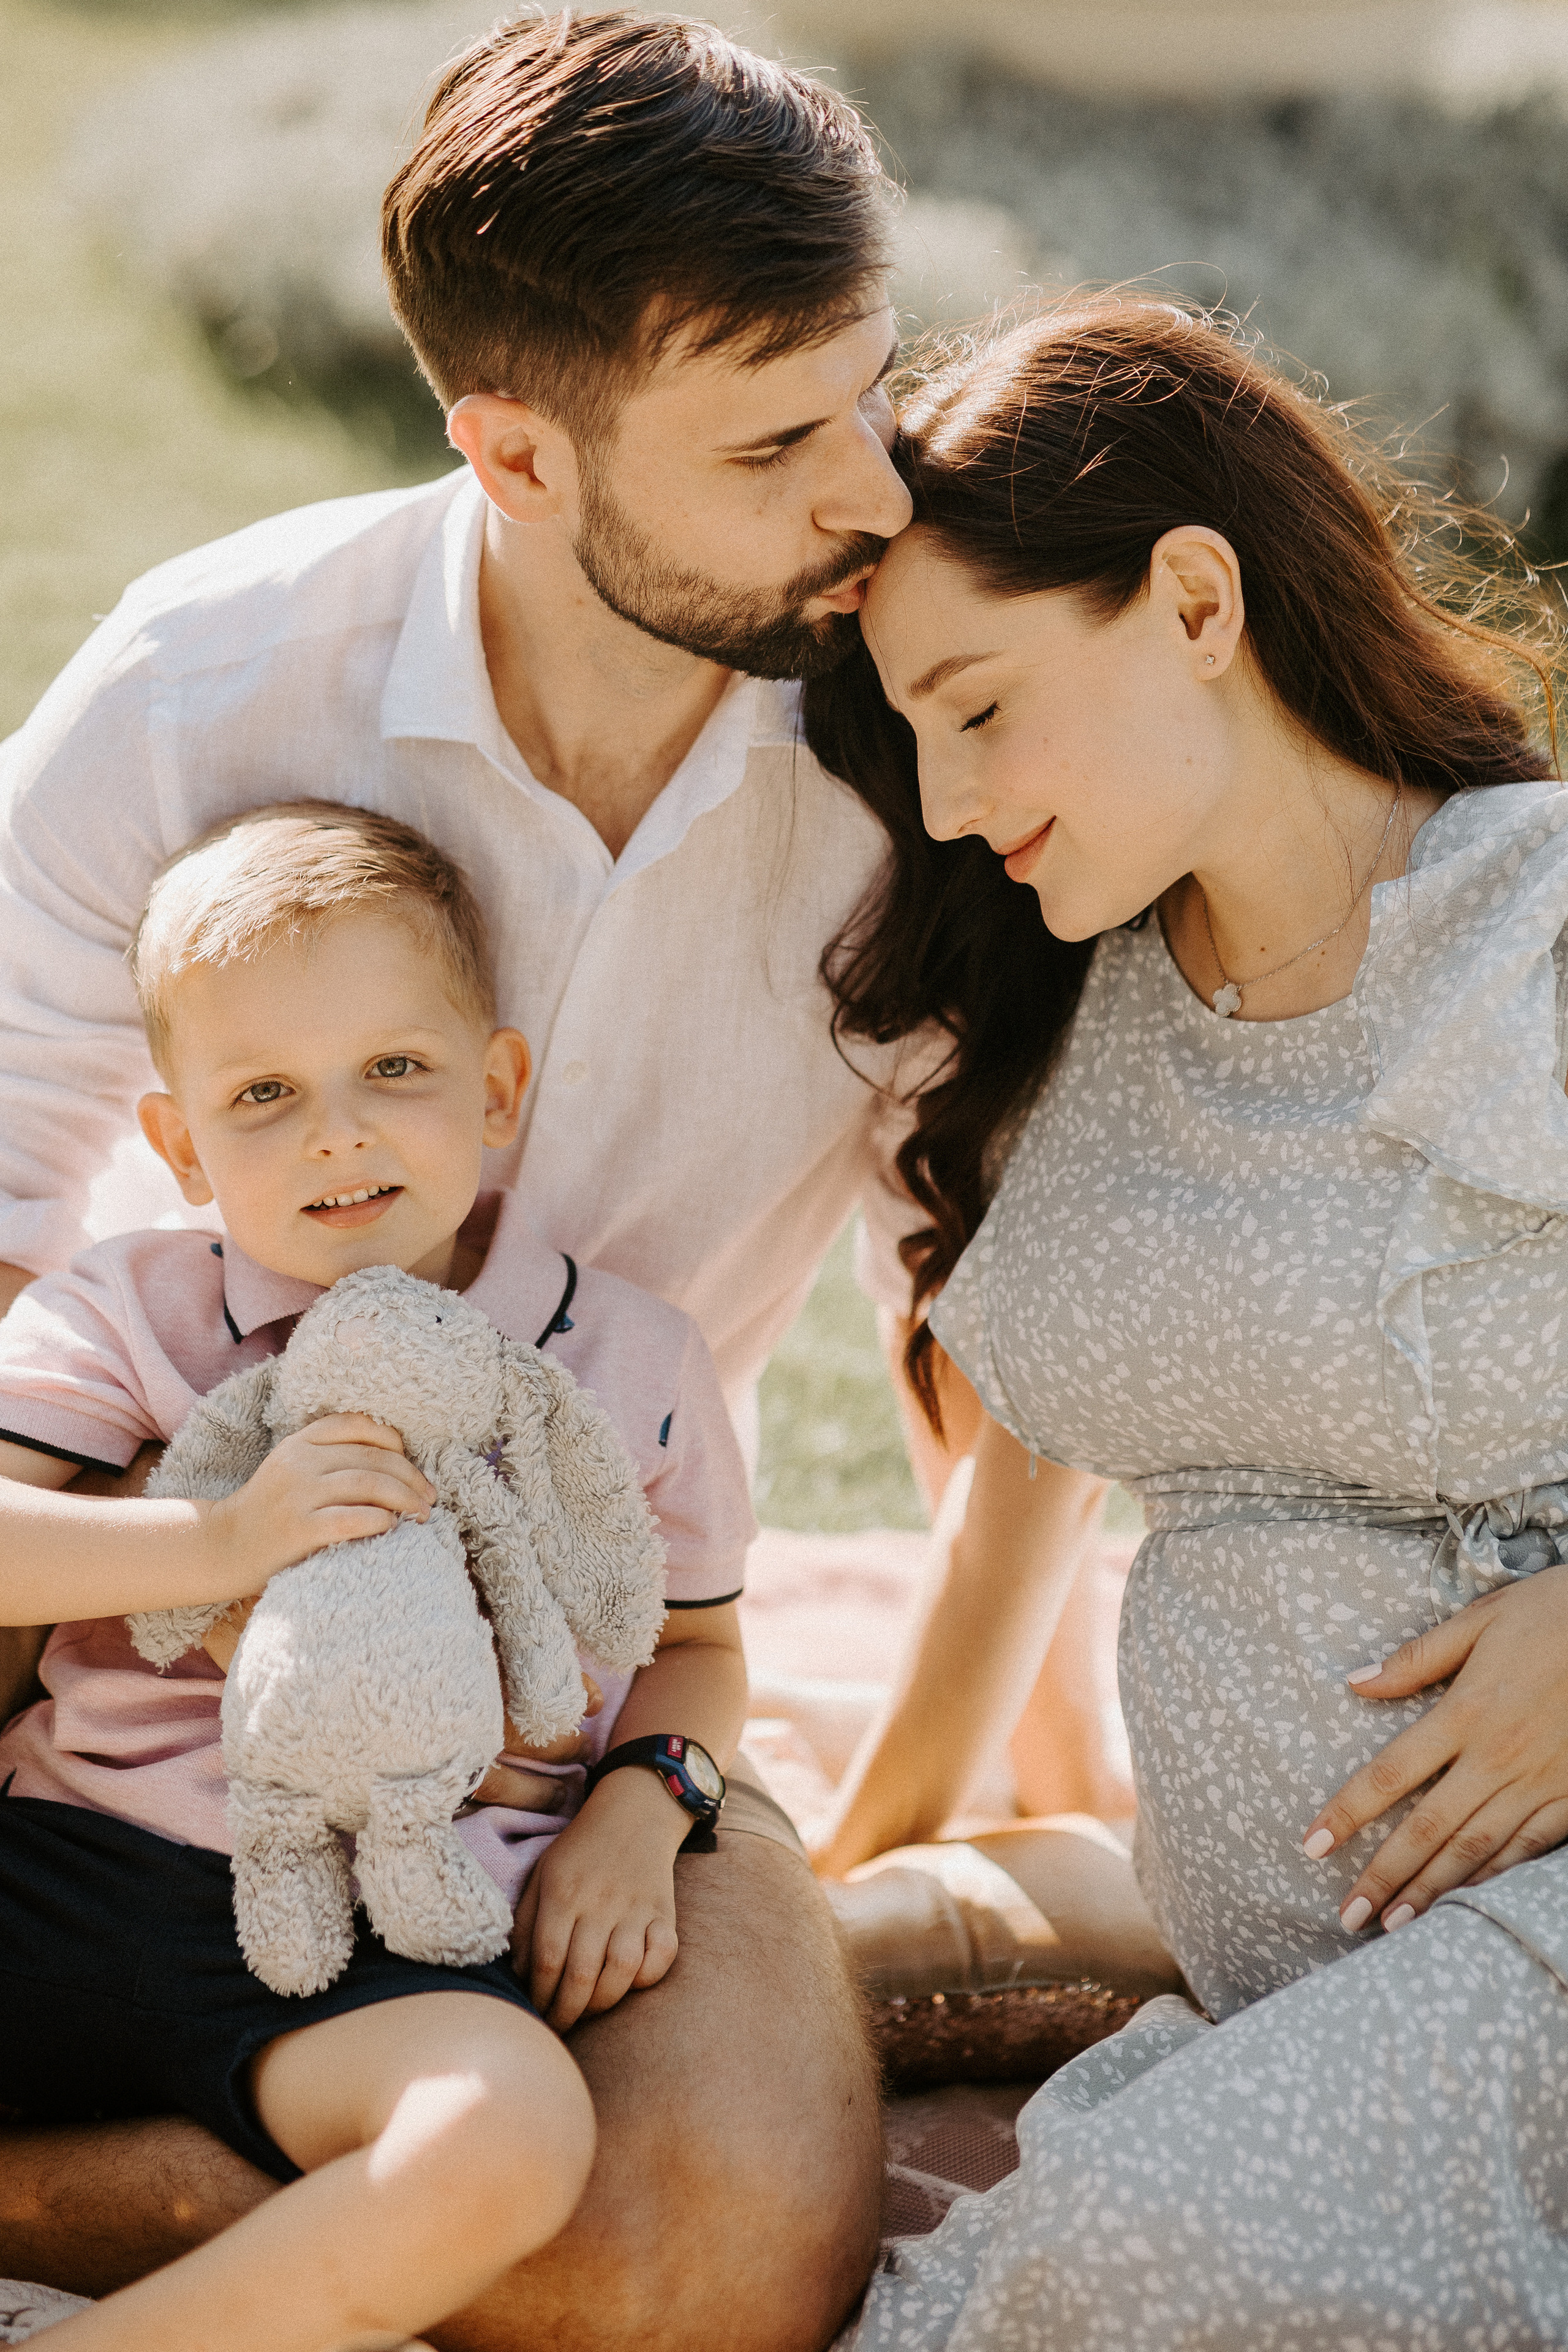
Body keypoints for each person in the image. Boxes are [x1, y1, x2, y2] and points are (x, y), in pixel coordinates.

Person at [802, 295, 1568, 2345]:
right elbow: (1024, 1488)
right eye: (915, 740)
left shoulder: (1544, 928)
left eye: (979, 706)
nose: (950, 805)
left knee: (1125, 2263)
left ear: (1197, 600)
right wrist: (846, 1872)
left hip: (1540, 1936)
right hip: (1318, 1992)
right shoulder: (1089, 1007)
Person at [0, 798, 769, 2350]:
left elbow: (694, 1644)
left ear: (496, 1089)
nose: (336, 1134)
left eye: (394, 1072)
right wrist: (220, 1539)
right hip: (76, 1863)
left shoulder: (625, 1360)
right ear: (181, 1145)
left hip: (387, 1926)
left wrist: (643, 1804)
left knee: (512, 2133)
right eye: (265, 1094)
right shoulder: (136, 1311)